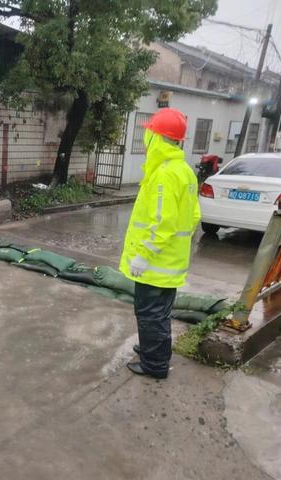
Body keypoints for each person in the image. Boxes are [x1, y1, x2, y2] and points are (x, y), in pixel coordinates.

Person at [119, 108, 201, 380]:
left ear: (156, 136)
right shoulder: (184, 170)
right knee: (159, 314)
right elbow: (194, 216)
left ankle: (154, 365)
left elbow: (162, 223)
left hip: (155, 264)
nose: (145, 136)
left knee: (150, 314)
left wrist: (143, 255)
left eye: (148, 131)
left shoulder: (164, 173)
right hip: (170, 263)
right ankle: (154, 351)